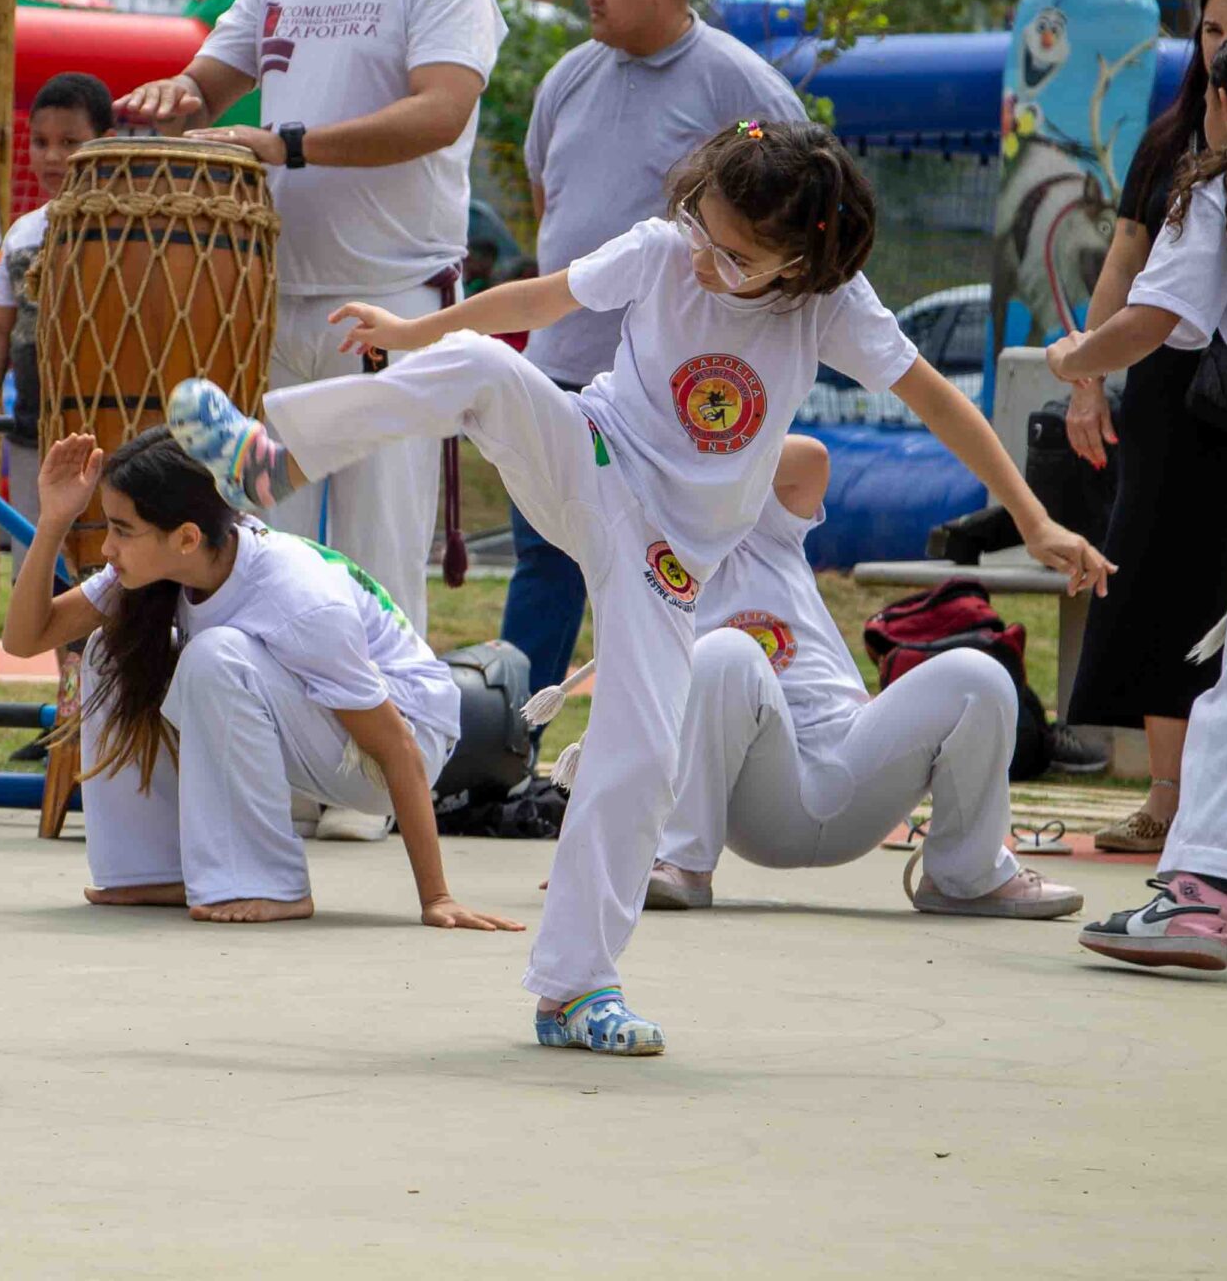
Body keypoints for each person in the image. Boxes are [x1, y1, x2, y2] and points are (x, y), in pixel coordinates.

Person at [163, 118, 1112, 1055]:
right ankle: (277, 458)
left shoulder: (829, 307)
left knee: (644, 754)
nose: (708, 261)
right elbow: (540, 298)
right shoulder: (663, 250)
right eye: (704, 228)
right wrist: (416, 329)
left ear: (802, 262)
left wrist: (1033, 520)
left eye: (738, 258)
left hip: (668, 557)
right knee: (487, 366)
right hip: (593, 457)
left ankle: (574, 988)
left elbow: (939, 400)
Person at [115, 0, 504, 645]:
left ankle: (387, 727)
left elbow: (440, 112)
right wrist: (173, 95)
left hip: (390, 307)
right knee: (257, 551)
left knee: (378, 555)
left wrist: (286, 144)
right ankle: (273, 722)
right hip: (269, 303)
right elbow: (205, 85)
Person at [2, 427, 523, 932]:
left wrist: (437, 897)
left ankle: (272, 884)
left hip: (400, 750)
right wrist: (53, 521)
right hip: (327, 733)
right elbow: (27, 638)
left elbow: (398, 748)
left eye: (122, 530)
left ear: (186, 538)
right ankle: (154, 870)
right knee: (107, 651)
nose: (107, 549)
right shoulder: (173, 566)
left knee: (216, 656)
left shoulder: (296, 596)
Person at [504, 0, 805, 693]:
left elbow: (795, 205)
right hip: (562, 365)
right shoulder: (569, 77)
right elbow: (547, 199)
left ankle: (682, 730)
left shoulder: (736, 84)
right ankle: (510, 739)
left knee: (665, 575)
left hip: (673, 390)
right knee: (544, 559)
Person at [1059, 0, 1227, 857]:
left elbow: (1155, 317)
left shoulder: (1219, 183)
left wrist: (1075, 357)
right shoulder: (1213, 165)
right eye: (1210, 29)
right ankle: (1200, 809)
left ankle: (1210, 859)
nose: (1217, 50)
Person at [644, 435, 1083, 919]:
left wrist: (683, 450)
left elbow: (811, 460)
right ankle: (680, 862)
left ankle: (968, 876)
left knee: (979, 675)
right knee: (727, 653)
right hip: (756, 795)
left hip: (854, 762)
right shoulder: (643, 565)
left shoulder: (764, 525)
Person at [0, 71, 107, 547]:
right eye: (41, 142)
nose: (52, 157)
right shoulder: (23, 233)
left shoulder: (125, 229)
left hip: (108, 427)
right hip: (33, 427)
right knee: (34, 551)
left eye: (69, 142)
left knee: (105, 550)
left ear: (106, 143)